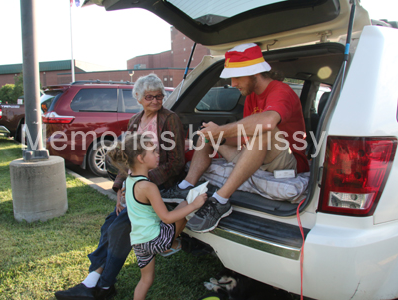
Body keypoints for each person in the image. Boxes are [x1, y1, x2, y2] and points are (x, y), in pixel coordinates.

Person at [55, 74, 186, 300]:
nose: (156, 101)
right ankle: (94, 281)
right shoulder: (134, 121)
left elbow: (176, 162)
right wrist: (120, 188)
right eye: (149, 97)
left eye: (159, 96)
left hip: (157, 186)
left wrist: (141, 183)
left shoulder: (169, 119)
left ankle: (101, 285)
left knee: (119, 228)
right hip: (138, 186)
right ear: (137, 98)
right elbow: (128, 159)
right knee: (109, 224)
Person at [161, 43, 310, 233]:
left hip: (287, 163)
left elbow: (267, 123)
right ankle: (186, 185)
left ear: (255, 74)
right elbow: (245, 138)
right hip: (256, 156)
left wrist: (221, 131)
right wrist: (214, 136)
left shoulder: (281, 91)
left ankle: (221, 200)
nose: (233, 84)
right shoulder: (251, 98)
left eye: (237, 77)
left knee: (262, 129)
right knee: (206, 135)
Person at [107, 134, 206, 300]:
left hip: (138, 242)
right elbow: (167, 218)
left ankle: (171, 245)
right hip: (155, 239)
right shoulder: (148, 187)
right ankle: (172, 244)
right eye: (153, 151)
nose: (158, 154)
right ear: (140, 158)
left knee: (146, 280)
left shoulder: (130, 181)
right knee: (182, 206)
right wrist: (193, 205)